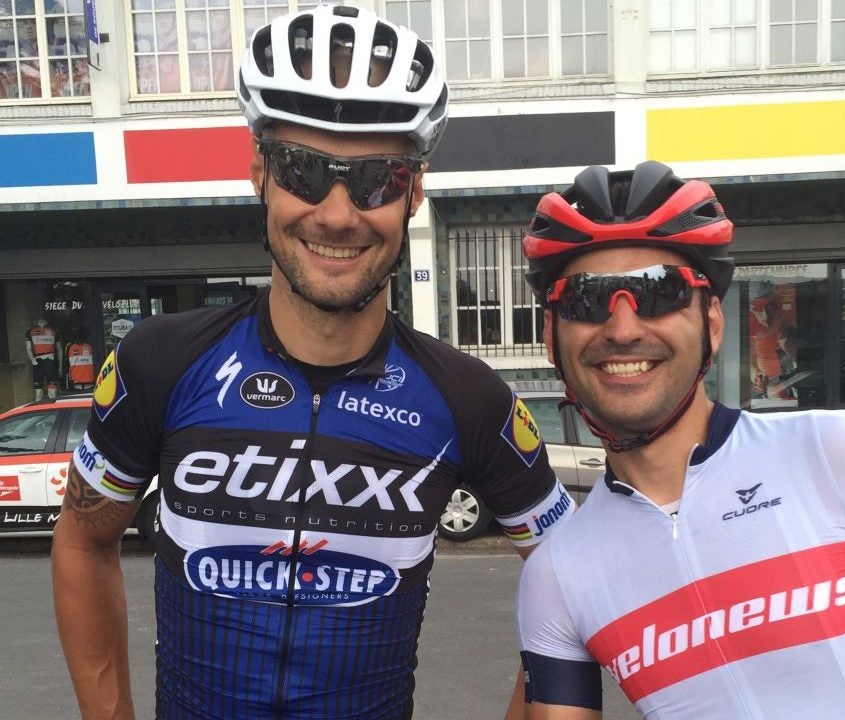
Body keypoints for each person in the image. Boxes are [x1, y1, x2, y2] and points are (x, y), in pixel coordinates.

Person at [51, 6, 573, 719]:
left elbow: (574, 578)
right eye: (303, 170)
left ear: (413, 194)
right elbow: (83, 539)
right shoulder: (162, 361)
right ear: (258, 174)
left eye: (375, 180)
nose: (336, 214)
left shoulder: (467, 398)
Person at [514, 161, 845, 719]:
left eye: (659, 292)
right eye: (586, 299)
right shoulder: (557, 574)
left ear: (713, 324)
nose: (623, 329)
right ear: (553, 336)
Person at [26, 317, 62, 399]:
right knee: (38, 392)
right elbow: (28, 348)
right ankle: (37, 411)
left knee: (52, 392)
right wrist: (33, 360)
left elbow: (59, 349)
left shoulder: (54, 331)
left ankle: (54, 410)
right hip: (38, 362)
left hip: (51, 361)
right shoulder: (30, 331)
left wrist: (60, 366)